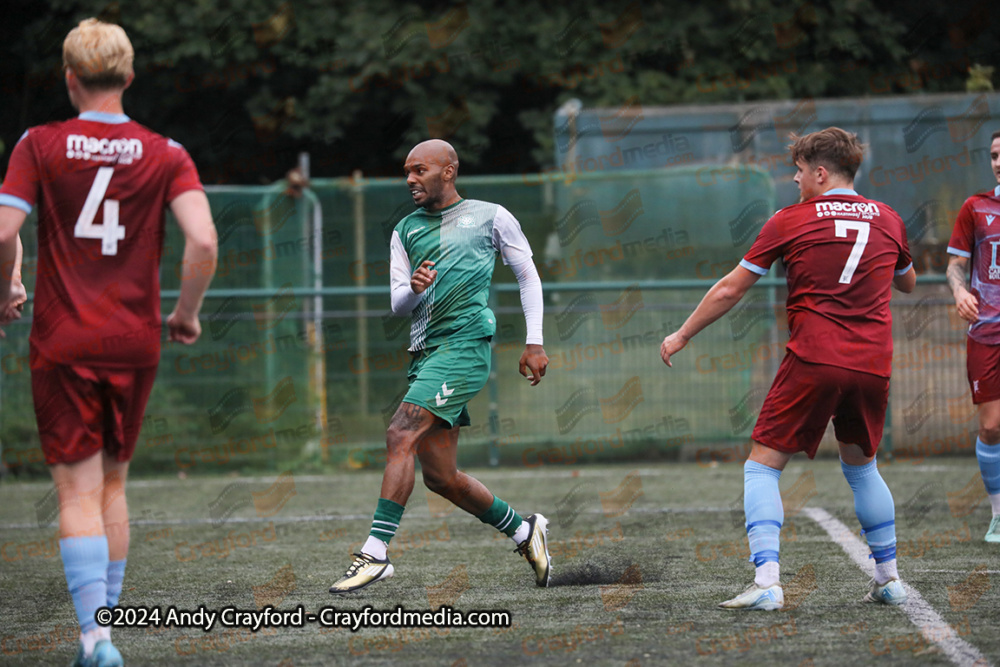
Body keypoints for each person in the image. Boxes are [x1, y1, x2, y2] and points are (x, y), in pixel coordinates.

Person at [0, 19, 217, 666]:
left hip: (63, 339)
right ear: (128, 76)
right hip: (133, 340)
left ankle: (96, 638)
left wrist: (6, 286)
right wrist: (184, 313)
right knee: (114, 485)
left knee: (76, 491)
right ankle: (105, 633)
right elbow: (203, 242)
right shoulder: (167, 151)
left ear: (70, 78)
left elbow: (4, 228)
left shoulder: (39, 143)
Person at [660, 127, 916, 610]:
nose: (795, 181)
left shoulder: (789, 220)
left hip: (815, 358)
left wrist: (683, 333)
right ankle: (889, 577)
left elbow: (730, 289)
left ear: (820, 173)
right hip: (872, 364)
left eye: (799, 172)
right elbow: (907, 281)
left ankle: (768, 582)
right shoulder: (890, 218)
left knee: (762, 467)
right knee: (863, 470)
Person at [329, 139, 552, 594]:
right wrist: (413, 288)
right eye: (406, 172)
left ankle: (375, 552)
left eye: (419, 170)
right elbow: (397, 304)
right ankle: (525, 531)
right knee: (442, 478)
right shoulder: (405, 229)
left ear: (448, 171)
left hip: (465, 348)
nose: (410, 179)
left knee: (399, 433)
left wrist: (535, 342)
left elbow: (527, 274)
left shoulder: (491, 216)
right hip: (425, 356)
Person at [946, 129, 1000, 543]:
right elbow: (955, 266)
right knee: (992, 425)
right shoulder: (976, 207)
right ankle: (999, 513)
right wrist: (960, 290)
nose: (998, 162)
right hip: (987, 332)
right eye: (995, 155)